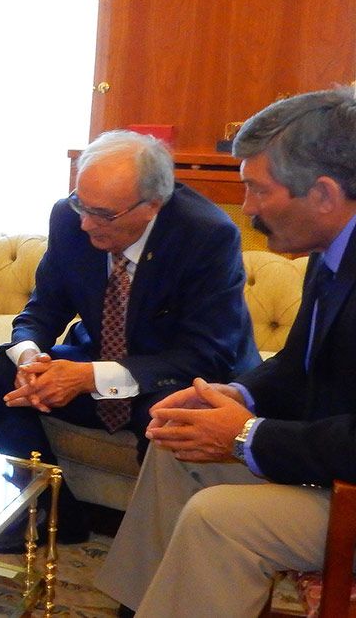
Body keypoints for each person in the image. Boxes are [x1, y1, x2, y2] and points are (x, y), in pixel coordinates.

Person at [96, 88, 356, 616]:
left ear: (324, 194)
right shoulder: (330, 250)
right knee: (175, 446)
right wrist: (233, 395)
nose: (248, 208)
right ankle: (141, 608)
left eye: (258, 190)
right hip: (328, 461)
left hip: (348, 484)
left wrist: (246, 434)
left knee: (218, 518)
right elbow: (297, 366)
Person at [0, 130, 260, 550]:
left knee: (168, 416)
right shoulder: (68, 218)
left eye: (102, 214)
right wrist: (30, 357)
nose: (86, 223)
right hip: (100, 353)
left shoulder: (206, 234)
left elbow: (204, 354)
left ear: (152, 204)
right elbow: (44, 308)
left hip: (174, 373)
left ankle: (152, 550)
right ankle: (52, 510)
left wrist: (87, 377)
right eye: (80, 204)